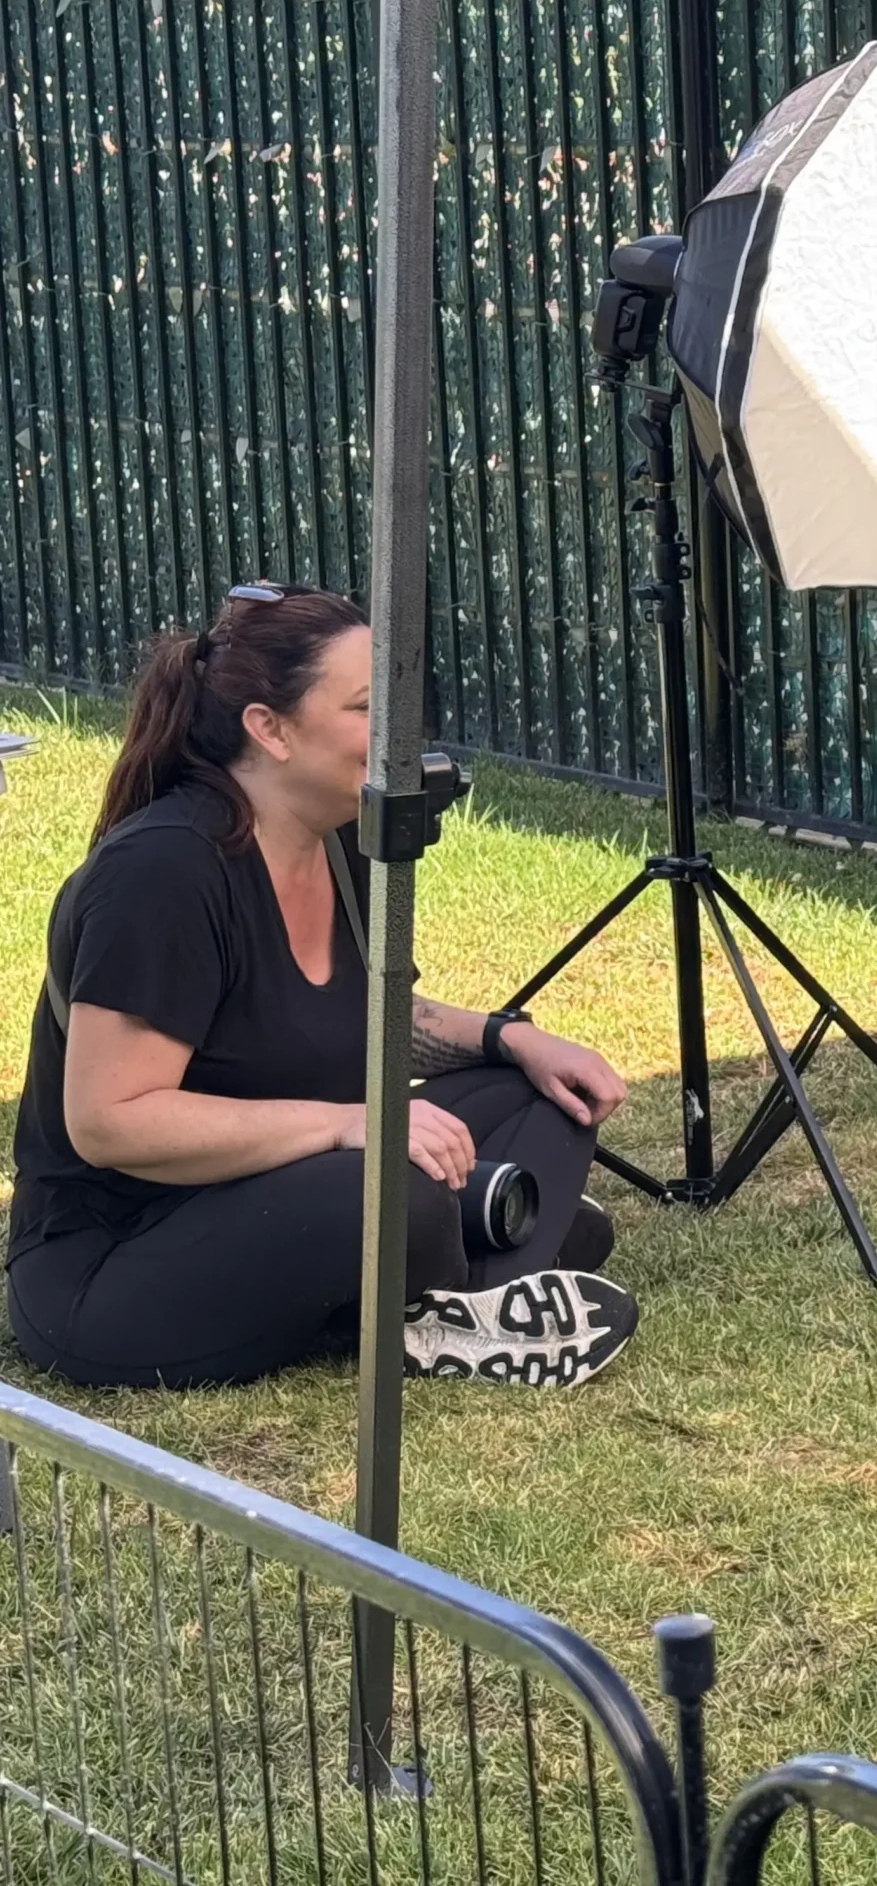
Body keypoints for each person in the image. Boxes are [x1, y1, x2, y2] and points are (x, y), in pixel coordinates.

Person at [9, 581, 641, 1389]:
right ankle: (470, 1277)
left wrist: (509, 1038)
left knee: (539, 1102)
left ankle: (458, 1265)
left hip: (275, 1190)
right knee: (395, 1194)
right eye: (367, 708)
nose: (399, 733)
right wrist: (350, 1125)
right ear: (269, 729)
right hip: (113, 1263)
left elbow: (363, 1014)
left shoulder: (341, 841)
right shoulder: (162, 872)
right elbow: (111, 1123)